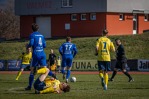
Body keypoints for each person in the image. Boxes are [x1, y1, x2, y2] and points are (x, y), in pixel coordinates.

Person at [25, 23, 55, 90]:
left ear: (32, 29)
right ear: (38, 29)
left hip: (36, 54)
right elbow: (44, 45)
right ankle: (53, 75)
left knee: (32, 70)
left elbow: (31, 43)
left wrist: (28, 46)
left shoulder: (32, 35)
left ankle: (29, 86)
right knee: (45, 70)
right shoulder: (42, 35)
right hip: (42, 54)